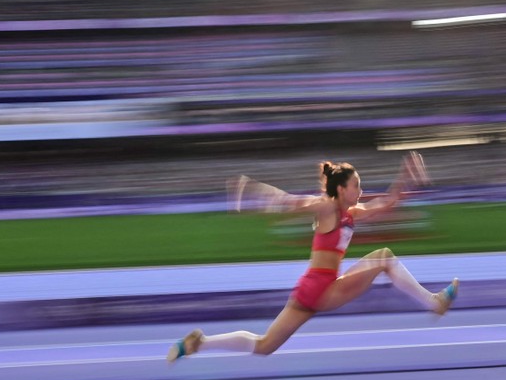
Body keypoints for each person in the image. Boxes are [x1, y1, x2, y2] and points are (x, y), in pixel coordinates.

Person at [167, 151, 456, 362]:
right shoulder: (327, 207)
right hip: (324, 288)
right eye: (356, 185)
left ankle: (199, 344)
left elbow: (386, 205)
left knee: (265, 345)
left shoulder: (349, 212)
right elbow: (289, 202)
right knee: (383, 257)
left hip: (309, 290)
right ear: (341, 189)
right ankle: (434, 303)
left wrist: (405, 179)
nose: (361, 190)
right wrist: (253, 192)